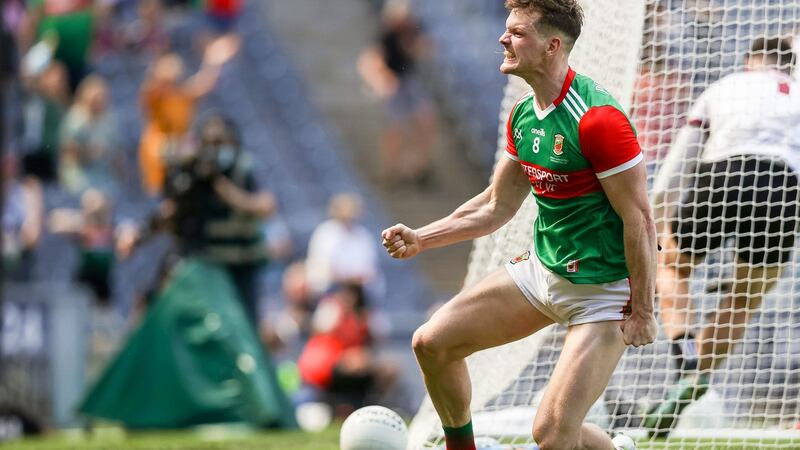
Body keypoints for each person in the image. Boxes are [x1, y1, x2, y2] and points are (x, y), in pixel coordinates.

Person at [381, 2, 657, 449]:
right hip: (543, 272)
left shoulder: (599, 119)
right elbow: (495, 205)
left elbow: (640, 220)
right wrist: (421, 238)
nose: (502, 39)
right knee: (432, 343)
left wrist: (643, 309)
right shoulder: (524, 115)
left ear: (552, 46)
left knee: (550, 434)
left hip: (602, 293)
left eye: (517, 32)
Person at [645, 37, 800, 437]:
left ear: (751, 60)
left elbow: (681, 160)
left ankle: (686, 359)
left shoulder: (725, 86)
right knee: (744, 300)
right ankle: (694, 378)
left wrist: (658, 217)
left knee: (674, 266)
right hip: (783, 186)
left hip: (723, 172)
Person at [119, 114, 276, 327]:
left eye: (221, 143)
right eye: (210, 143)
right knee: (159, 301)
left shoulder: (242, 169)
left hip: (242, 264)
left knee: (244, 323)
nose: (216, 150)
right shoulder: (195, 174)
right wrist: (139, 235)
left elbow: (266, 205)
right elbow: (171, 211)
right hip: (208, 260)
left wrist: (227, 191)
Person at [138, 35, 239, 195]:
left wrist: (212, 59)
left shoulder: (183, 96)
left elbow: (205, 83)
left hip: (179, 148)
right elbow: (149, 90)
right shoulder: (156, 98)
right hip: (160, 149)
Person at [357, 0, 437, 188]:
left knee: (425, 119)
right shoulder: (386, 35)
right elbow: (371, 60)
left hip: (408, 80)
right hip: (395, 81)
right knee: (395, 128)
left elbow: (425, 49)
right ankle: (390, 170)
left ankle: (418, 166)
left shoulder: (412, 31)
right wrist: (380, 78)